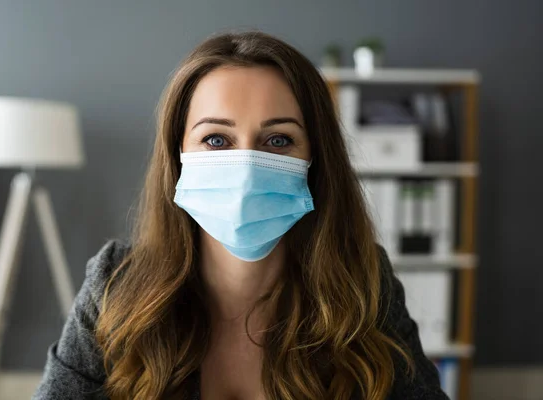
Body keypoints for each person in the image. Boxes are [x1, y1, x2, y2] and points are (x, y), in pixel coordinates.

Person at [33, 31, 448, 400]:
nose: (247, 166)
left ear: (316, 161)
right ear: (177, 159)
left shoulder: (363, 282)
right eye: (216, 139)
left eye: (278, 140)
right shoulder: (115, 285)